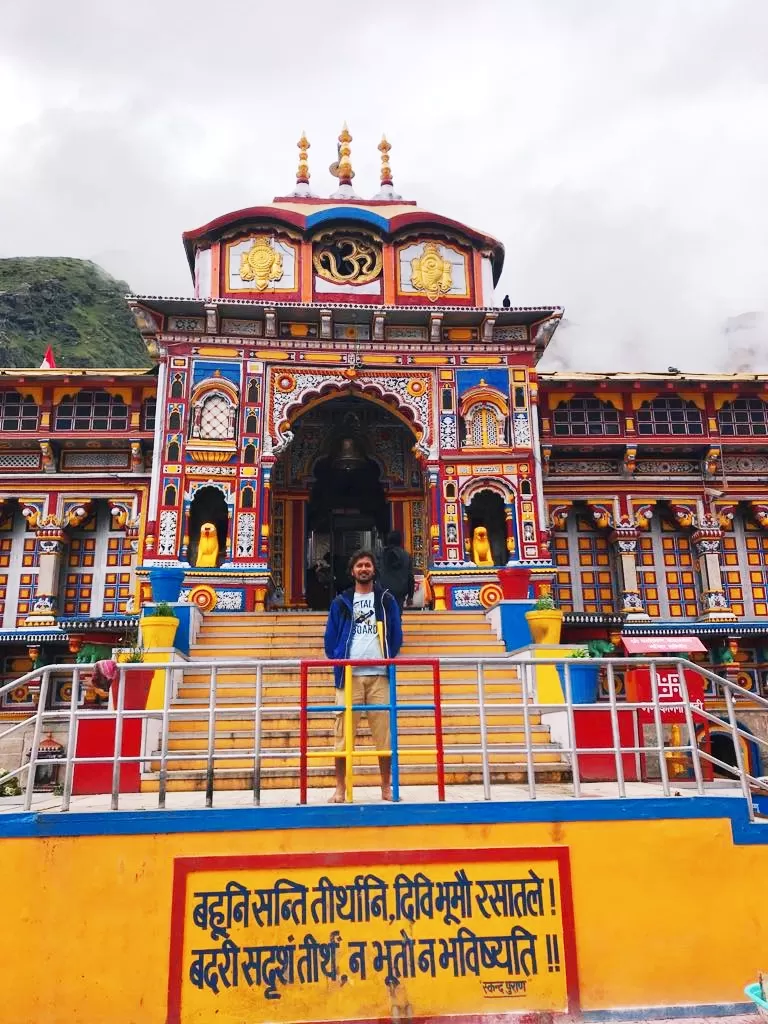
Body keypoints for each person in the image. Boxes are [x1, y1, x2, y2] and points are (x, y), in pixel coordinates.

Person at [323, 549, 403, 802]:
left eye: (367, 565)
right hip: (349, 676)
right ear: (352, 571)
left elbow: (396, 634)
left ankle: (386, 787)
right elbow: (330, 638)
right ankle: (340, 788)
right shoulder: (341, 602)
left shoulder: (386, 600)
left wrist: (387, 655)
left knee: (384, 736)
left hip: (380, 675)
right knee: (343, 736)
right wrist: (339, 657)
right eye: (359, 566)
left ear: (374, 569)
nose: (364, 569)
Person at [377, 530, 415, 611]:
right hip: (400, 593)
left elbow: (376, 573)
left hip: (383, 591)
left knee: (383, 616)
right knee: (397, 615)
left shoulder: (381, 555)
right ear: (401, 541)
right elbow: (410, 577)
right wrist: (410, 596)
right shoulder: (406, 556)